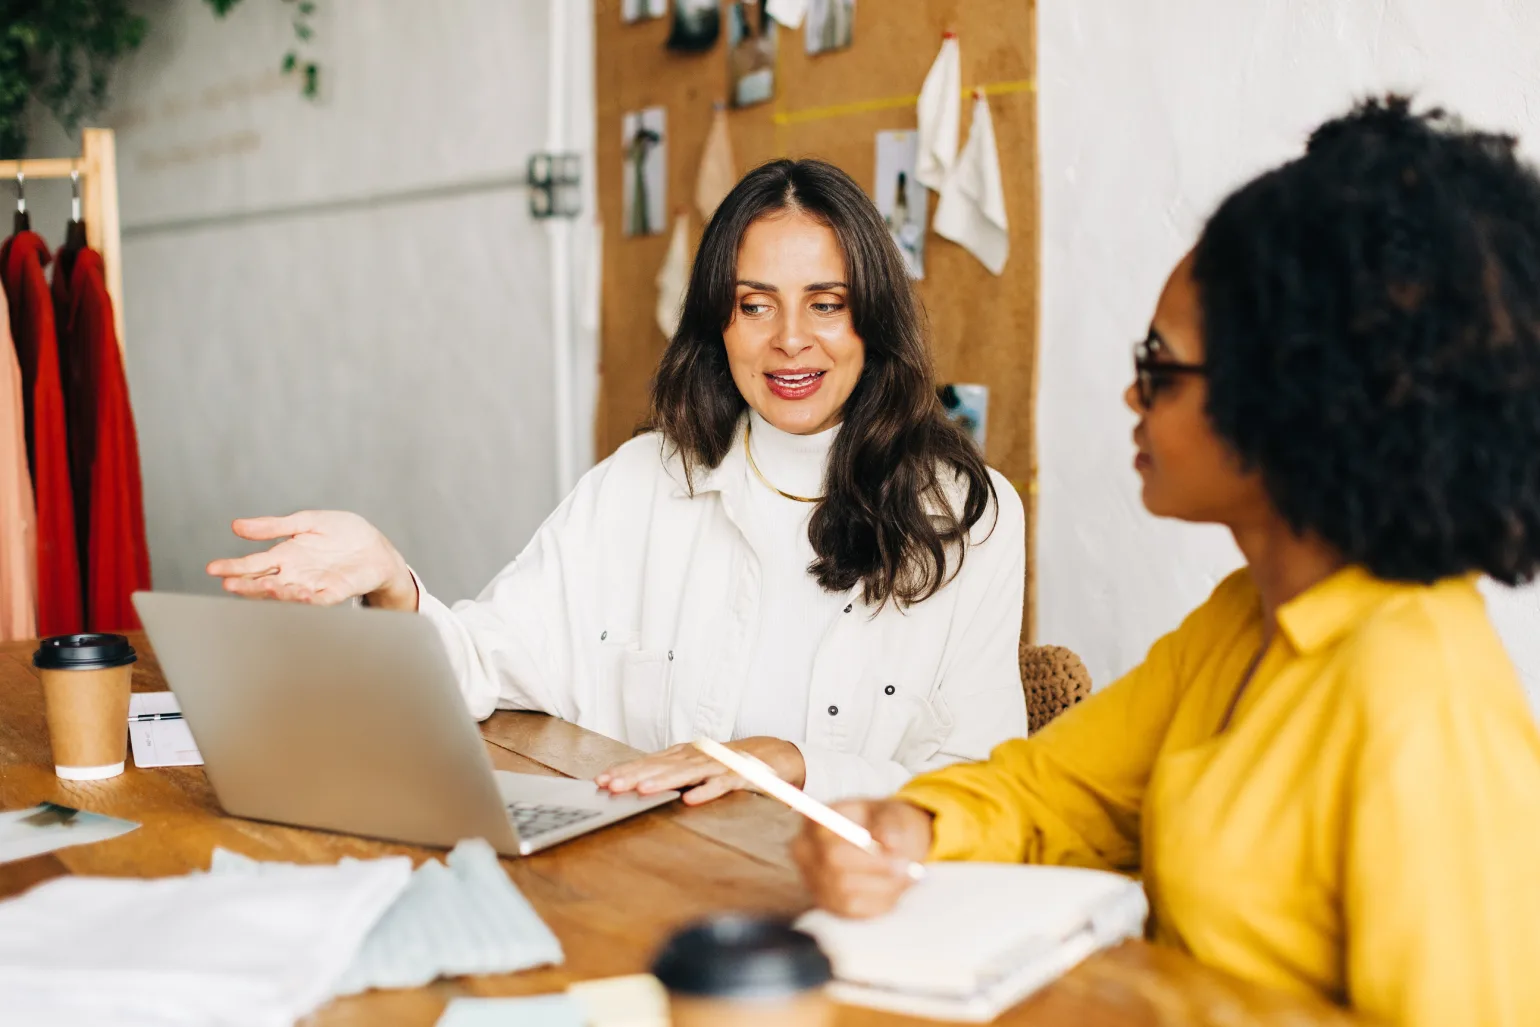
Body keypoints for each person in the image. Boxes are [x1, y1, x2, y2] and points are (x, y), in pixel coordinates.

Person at [793, 97, 1540, 1026]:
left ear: (1290, 400)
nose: (1128, 393)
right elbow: (1056, 790)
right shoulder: (1244, 618)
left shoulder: (1423, 698)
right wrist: (915, 826)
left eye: (1159, 363)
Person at [207, 158, 1027, 806]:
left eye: (825, 303)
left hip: (864, 907)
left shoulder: (968, 516)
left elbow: (989, 787)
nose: (789, 340)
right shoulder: (641, 481)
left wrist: (798, 764)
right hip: (660, 890)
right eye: (755, 304)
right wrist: (392, 577)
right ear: (720, 320)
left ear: (871, 320)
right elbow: (486, 665)